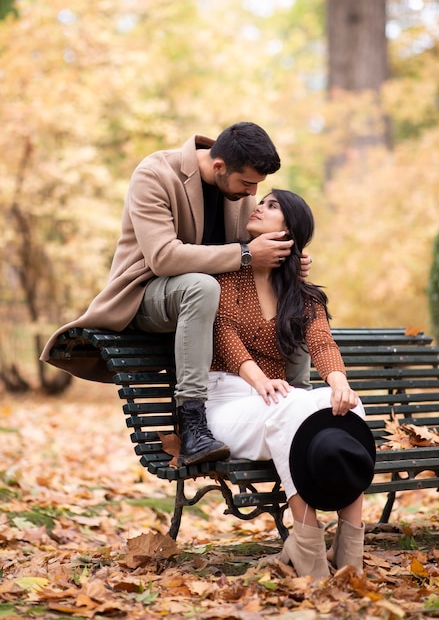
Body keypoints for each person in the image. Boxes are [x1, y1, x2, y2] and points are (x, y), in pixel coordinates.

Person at [40, 122, 312, 467]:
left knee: (296, 296)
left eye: (256, 186)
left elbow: (261, 247)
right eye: (246, 183)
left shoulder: (240, 194)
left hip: (209, 308)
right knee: (202, 286)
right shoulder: (155, 174)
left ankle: (301, 408)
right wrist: (245, 254)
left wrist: (292, 263)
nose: (251, 193)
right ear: (218, 167)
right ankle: (193, 422)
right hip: (144, 294)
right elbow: (164, 257)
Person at [204, 189, 376, 579]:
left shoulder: (298, 293)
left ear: (289, 232)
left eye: (272, 205)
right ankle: (309, 547)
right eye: (259, 201)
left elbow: (321, 341)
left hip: (277, 403)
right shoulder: (228, 275)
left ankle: (350, 551)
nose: (259, 207)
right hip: (229, 400)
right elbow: (223, 333)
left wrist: (339, 384)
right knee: (295, 407)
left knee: (351, 410)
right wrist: (259, 378)